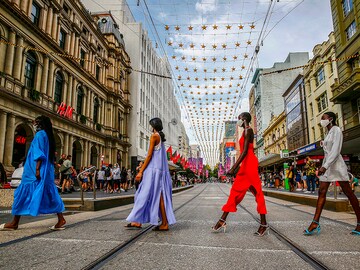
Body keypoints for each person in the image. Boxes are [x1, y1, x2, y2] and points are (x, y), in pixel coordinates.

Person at [0, 116, 66, 231]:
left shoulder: (40, 135)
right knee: (50, 194)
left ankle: (14, 222)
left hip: (35, 169)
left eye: (35, 122)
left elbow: (39, 153)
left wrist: (37, 169)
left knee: (22, 194)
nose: (34, 124)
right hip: (46, 169)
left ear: (40, 123)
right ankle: (61, 219)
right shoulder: (48, 136)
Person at [212, 112, 268, 236]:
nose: (238, 121)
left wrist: (233, 168)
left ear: (244, 119)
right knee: (235, 193)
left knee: (257, 193)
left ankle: (264, 224)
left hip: (249, 164)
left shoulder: (248, 131)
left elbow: (244, 153)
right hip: (245, 165)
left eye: (239, 119)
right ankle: (222, 220)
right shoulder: (245, 131)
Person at [304, 112, 360, 236]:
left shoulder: (336, 130)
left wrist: (324, 166)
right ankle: (315, 222)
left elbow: (335, 151)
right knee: (322, 192)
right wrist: (324, 145)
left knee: (348, 193)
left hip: (336, 166)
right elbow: (329, 150)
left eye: (323, 118)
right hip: (328, 166)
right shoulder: (328, 133)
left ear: (331, 119)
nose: (321, 121)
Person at [126, 118, 176, 231]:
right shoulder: (160, 138)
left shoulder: (154, 136)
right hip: (159, 171)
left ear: (153, 125)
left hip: (153, 171)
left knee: (145, 194)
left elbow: (149, 156)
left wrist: (140, 171)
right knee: (155, 196)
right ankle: (139, 221)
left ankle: (162, 223)